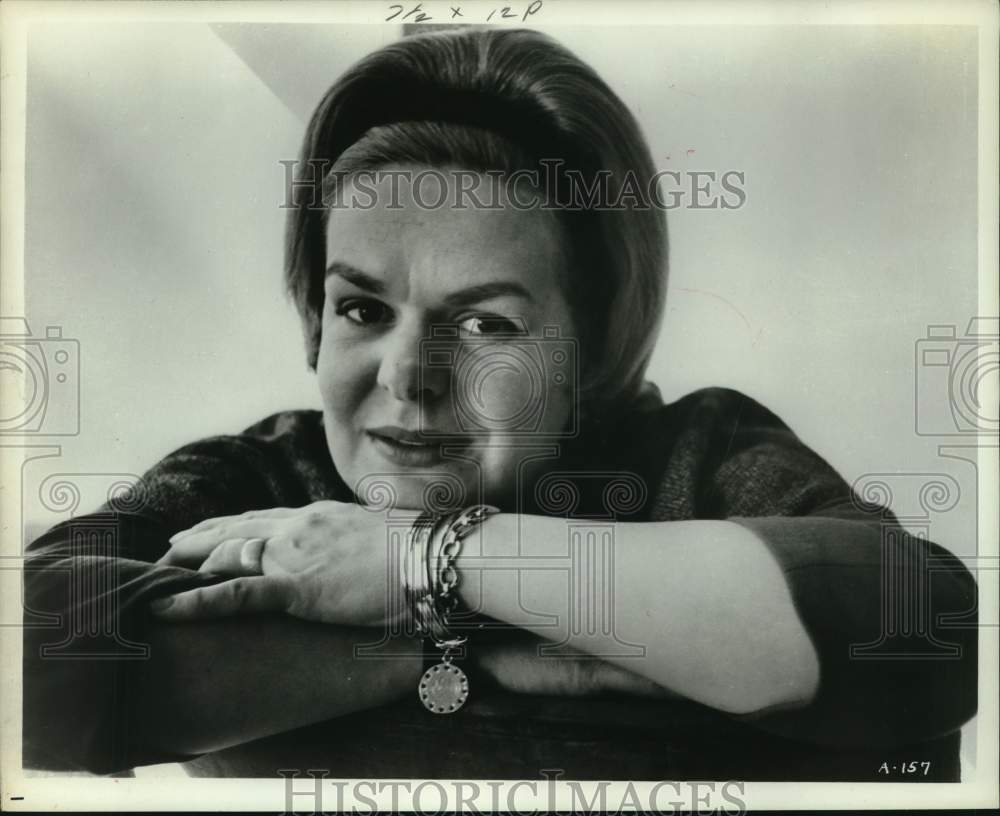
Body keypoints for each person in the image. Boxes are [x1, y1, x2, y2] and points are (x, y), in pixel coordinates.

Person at [23, 27, 977, 780]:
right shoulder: (268, 474)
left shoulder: (701, 453)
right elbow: (33, 658)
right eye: (361, 307)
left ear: (593, 340)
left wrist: (414, 559)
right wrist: (480, 632)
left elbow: (916, 631)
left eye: (484, 326)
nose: (408, 375)